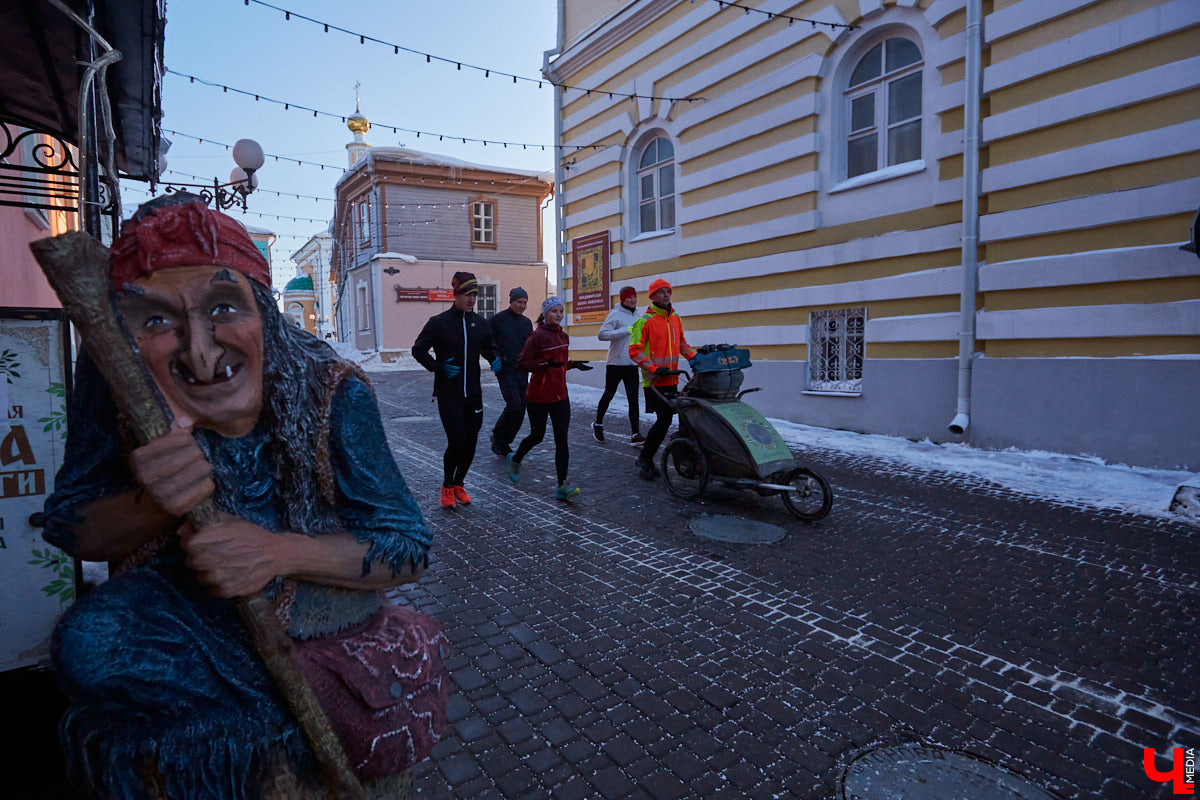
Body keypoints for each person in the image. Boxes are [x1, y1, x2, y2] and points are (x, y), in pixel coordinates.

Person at [42, 194, 436, 796]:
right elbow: (73, 528)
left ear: (265, 314)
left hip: (309, 614)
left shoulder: (332, 392)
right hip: (180, 617)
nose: (200, 352)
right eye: (156, 321)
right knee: (90, 642)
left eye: (223, 308)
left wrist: (278, 552)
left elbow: (407, 548)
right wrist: (152, 503)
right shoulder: (116, 375)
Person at [413, 272, 501, 508]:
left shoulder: (481, 324)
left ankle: (459, 484)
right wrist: (438, 367)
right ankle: (447, 486)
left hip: (473, 394)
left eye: (475, 295)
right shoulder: (439, 323)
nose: (472, 299)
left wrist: (495, 358)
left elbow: (489, 347)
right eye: (467, 294)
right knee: (456, 440)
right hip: (448, 394)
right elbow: (418, 350)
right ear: (456, 294)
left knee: (471, 441)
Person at [506, 297, 592, 500]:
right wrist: (545, 364)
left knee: (562, 440)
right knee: (537, 435)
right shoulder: (536, 337)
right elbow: (522, 364)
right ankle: (516, 459)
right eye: (554, 311)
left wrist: (573, 364)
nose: (558, 315)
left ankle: (562, 485)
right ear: (545, 313)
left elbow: (559, 363)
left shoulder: (563, 336)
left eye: (561, 311)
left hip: (560, 395)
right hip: (539, 396)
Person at [628, 278, 696, 480]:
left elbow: (682, 344)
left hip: (672, 378)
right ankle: (645, 458)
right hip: (655, 381)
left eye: (668, 291)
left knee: (671, 419)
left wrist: (695, 360)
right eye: (661, 292)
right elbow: (635, 351)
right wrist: (653, 368)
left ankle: (649, 458)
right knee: (664, 419)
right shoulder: (645, 321)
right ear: (653, 296)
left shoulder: (675, 318)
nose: (666, 295)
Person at [593, 285, 644, 446]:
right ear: (623, 299)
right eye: (629, 297)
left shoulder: (638, 316)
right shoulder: (615, 314)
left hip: (632, 364)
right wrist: (623, 331)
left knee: (633, 400)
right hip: (615, 363)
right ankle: (598, 424)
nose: (632, 300)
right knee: (609, 394)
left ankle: (635, 434)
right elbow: (602, 335)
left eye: (634, 297)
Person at [489, 286, 533, 456]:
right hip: (505, 370)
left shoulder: (526, 323)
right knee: (514, 405)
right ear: (511, 301)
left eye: (525, 302)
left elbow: (531, 345)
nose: (522, 306)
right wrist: (494, 357)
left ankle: (504, 441)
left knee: (521, 408)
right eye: (519, 302)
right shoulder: (497, 320)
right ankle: (498, 437)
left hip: (521, 370)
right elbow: (487, 341)